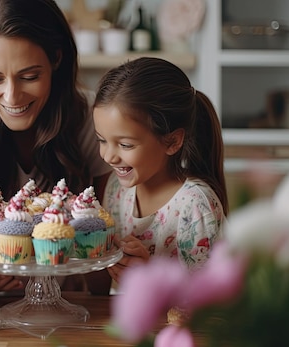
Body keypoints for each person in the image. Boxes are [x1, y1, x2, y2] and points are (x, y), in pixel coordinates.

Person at [0, 0, 112, 292]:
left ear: (57, 58)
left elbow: (102, 245)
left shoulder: (94, 122)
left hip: (70, 305)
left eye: (29, 76)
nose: (12, 97)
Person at [92, 57, 228, 284]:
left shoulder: (195, 206)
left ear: (172, 141)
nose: (108, 156)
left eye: (125, 145)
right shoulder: (117, 190)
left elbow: (211, 303)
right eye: (101, 140)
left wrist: (150, 276)